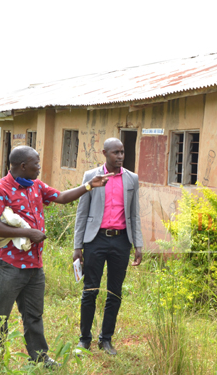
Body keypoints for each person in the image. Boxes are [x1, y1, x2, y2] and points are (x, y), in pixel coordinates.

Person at [0, 145, 112, 367]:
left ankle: (40, 358)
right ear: (23, 166)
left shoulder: (35, 186)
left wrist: (90, 185)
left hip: (34, 265)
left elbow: (61, 197)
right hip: (8, 265)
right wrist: (27, 232)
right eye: (36, 164)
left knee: (33, 315)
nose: (39, 167)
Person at [73, 138, 143, 356]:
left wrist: (138, 244)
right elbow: (82, 212)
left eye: (122, 152)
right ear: (104, 153)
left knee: (115, 292)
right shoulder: (91, 177)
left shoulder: (132, 178)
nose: (120, 156)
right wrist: (78, 246)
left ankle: (106, 339)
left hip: (121, 241)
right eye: (115, 152)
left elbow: (134, 214)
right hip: (95, 240)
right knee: (90, 290)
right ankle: (85, 339)